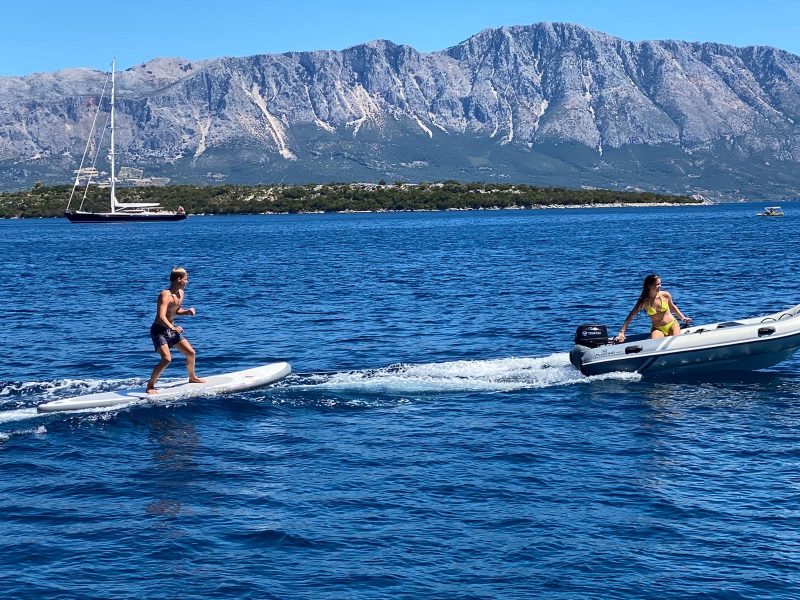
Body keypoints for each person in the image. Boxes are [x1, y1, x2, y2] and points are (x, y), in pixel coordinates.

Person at [147, 266, 206, 394]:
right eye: (186, 279)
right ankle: (150, 385)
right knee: (167, 359)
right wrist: (173, 327)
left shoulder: (181, 294)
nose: (187, 281)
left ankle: (192, 377)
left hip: (171, 330)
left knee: (191, 353)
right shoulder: (165, 295)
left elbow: (175, 310)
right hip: (159, 331)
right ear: (178, 279)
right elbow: (161, 316)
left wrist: (186, 312)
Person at [614, 274, 692, 343]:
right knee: (654, 343)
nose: (660, 286)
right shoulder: (644, 301)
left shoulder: (665, 295)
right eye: (657, 284)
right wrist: (622, 332)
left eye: (660, 284)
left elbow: (673, 307)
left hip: (672, 324)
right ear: (649, 286)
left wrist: (683, 318)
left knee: (676, 341)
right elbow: (631, 316)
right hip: (658, 328)